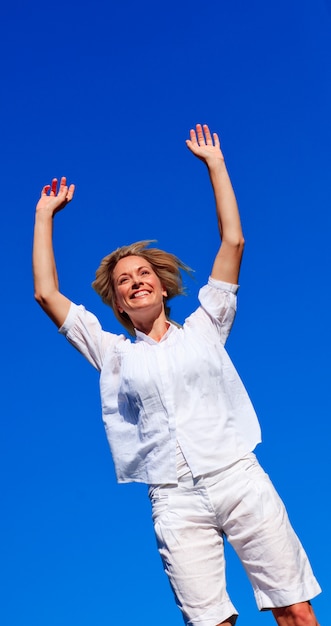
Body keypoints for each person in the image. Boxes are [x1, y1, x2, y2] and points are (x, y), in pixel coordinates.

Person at [33, 124, 321, 626]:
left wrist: (216, 164)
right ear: (118, 303)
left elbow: (234, 240)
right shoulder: (112, 352)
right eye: (124, 281)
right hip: (174, 498)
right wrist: (43, 215)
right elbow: (47, 295)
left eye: (143, 273)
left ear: (162, 286)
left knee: (294, 608)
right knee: (211, 622)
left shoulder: (206, 326)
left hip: (238, 476)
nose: (135, 281)